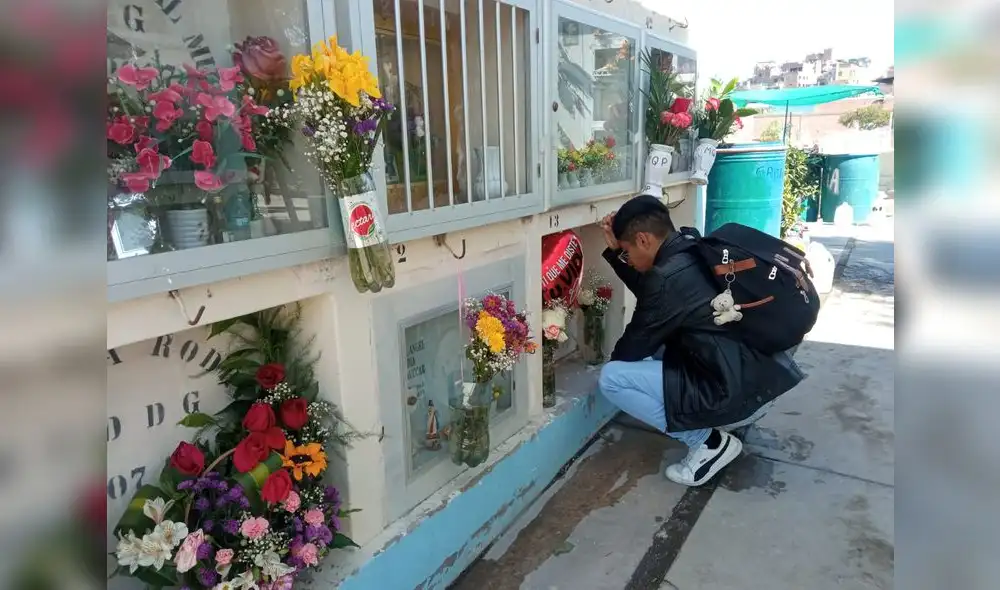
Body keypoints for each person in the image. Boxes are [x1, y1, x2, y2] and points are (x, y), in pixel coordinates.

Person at [597, 195, 805, 487]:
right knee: (659, 351)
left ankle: (707, 443)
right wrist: (616, 250)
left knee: (613, 378)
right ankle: (710, 423)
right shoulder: (688, 245)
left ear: (643, 239)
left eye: (628, 251)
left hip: (731, 391)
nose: (628, 258)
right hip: (755, 377)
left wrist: (618, 361)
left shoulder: (667, 278)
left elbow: (631, 348)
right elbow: (653, 287)